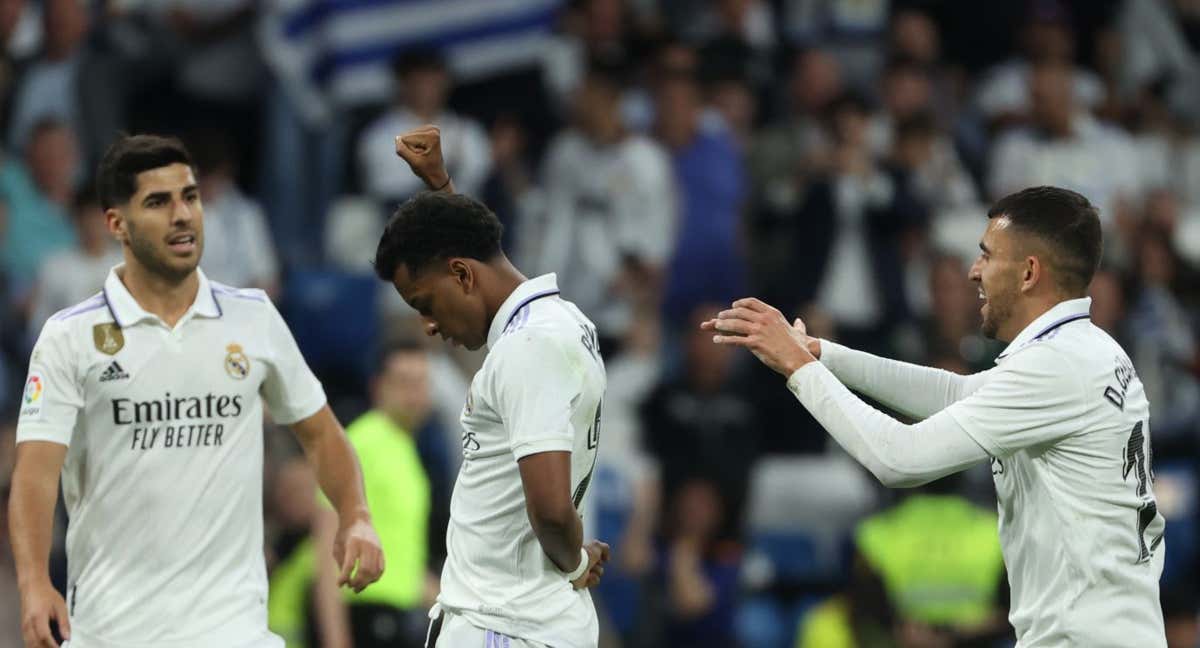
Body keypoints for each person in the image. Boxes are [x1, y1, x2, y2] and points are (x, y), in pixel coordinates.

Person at [706, 186, 1168, 646]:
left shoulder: (1058, 365)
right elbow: (957, 393)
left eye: (987, 256)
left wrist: (798, 368)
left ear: (1028, 273)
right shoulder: (1088, 351)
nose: (974, 272)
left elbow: (899, 459)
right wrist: (823, 354)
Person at [10, 134, 384, 648]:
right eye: (158, 203)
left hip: (234, 630)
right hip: (111, 631)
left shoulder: (253, 317)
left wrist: (356, 515)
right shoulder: (69, 337)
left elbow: (320, 433)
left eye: (189, 197)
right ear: (117, 223)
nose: (182, 215)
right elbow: (35, 474)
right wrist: (34, 584)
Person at [374, 125, 610, 648]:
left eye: (425, 305)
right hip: (523, 623)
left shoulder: (527, 351)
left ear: (460, 276)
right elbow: (478, 261)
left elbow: (550, 510)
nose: (429, 326)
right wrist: (442, 191)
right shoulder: (559, 322)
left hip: (502, 627)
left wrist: (573, 562)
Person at [313, 341, 436, 648]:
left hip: (402, 617)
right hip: (364, 615)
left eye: (420, 383)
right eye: (404, 382)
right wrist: (336, 640)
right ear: (378, 386)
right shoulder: (360, 442)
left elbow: (403, 559)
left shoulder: (407, 453)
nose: (414, 394)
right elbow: (326, 547)